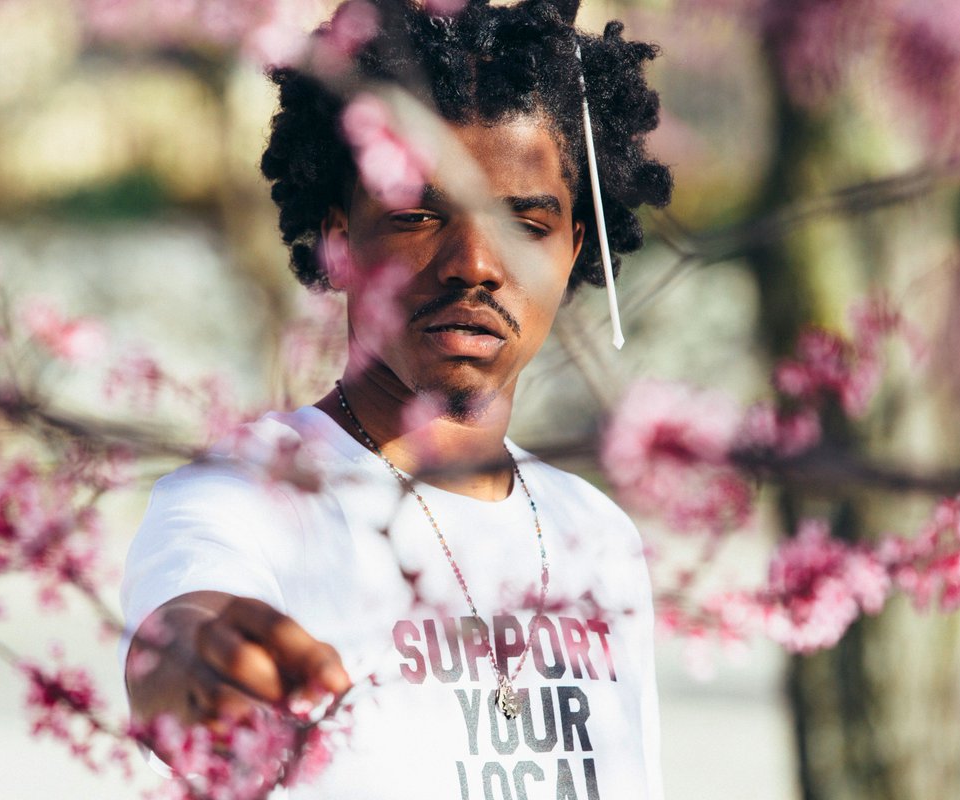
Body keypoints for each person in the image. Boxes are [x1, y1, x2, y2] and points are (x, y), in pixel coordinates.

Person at [121, 0, 672, 797]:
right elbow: (180, 630)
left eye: (525, 223)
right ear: (340, 238)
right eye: (417, 215)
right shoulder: (249, 495)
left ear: (573, 249)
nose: (474, 263)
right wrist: (197, 664)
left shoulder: (601, 536)